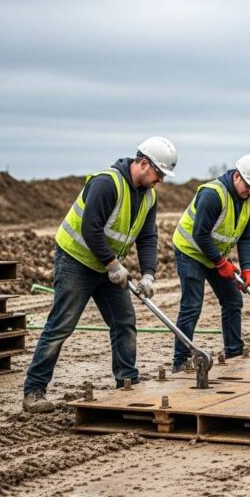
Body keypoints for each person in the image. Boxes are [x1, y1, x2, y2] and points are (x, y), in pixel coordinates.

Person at [22, 137, 176, 413]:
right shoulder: (107, 183)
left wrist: (149, 274)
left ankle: (127, 381)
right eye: (159, 173)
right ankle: (34, 390)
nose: (161, 180)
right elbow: (90, 228)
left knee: (124, 321)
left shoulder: (149, 197)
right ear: (143, 164)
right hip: (77, 261)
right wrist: (113, 265)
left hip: (108, 266)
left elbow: (148, 237)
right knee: (61, 325)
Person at [170, 153, 250, 371]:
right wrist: (221, 262)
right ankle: (180, 361)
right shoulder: (213, 194)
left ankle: (234, 352)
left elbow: (247, 237)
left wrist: (248, 269)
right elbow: (200, 234)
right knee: (192, 306)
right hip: (191, 251)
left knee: (233, 300)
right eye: (248, 185)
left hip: (216, 254)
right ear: (237, 176)